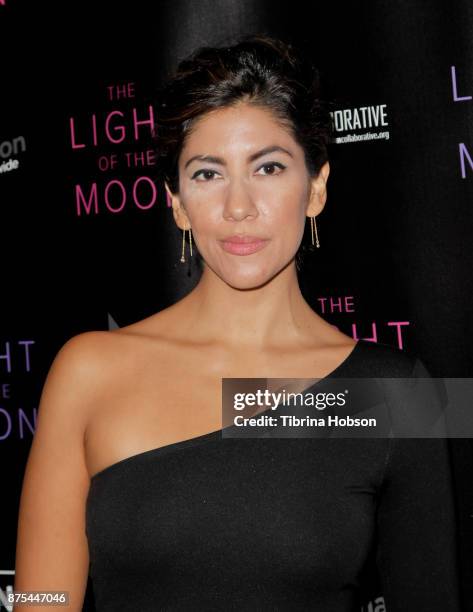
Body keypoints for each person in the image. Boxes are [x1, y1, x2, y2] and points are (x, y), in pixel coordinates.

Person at [14, 34, 461, 611]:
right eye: (207, 174)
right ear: (176, 201)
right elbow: (41, 602)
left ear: (317, 187)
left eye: (268, 167)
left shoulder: (397, 397)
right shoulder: (89, 369)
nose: (239, 207)